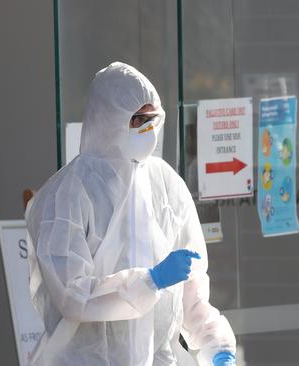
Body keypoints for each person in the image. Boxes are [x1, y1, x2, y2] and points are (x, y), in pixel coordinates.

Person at [25, 62, 236, 366]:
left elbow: (191, 295)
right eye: (137, 120)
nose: (147, 130)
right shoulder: (68, 194)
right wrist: (149, 281)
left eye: (152, 119)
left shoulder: (165, 186)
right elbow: (72, 296)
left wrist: (217, 346)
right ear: (108, 120)